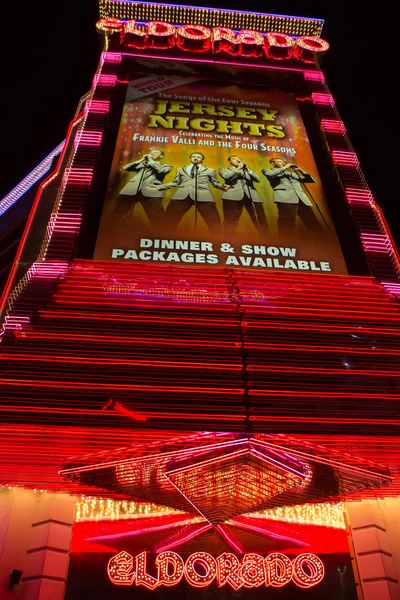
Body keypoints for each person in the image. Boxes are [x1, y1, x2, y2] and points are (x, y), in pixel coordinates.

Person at [151, 152, 229, 234]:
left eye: (198, 157)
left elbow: (215, 183)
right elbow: (175, 182)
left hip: (203, 196)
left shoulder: (210, 170)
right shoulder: (180, 169)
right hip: (181, 195)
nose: (196, 158)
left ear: (202, 160)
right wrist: (159, 187)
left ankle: (219, 241)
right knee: (170, 220)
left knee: (213, 221)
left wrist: (221, 186)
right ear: (190, 159)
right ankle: (168, 238)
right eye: (193, 156)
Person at [110, 148, 172, 232]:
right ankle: (107, 231)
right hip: (131, 190)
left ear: (161, 156)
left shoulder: (166, 166)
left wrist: (150, 161)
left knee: (157, 217)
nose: (152, 153)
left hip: (151, 192)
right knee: (116, 212)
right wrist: (141, 160)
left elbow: (161, 171)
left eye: (155, 152)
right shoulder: (142, 164)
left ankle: (160, 235)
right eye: (151, 152)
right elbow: (126, 168)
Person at [262, 157, 323, 235]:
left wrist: (301, 171)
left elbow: (311, 180)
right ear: (273, 163)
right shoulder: (268, 170)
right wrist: (286, 167)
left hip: (301, 199)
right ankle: (286, 242)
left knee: (312, 222)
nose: (283, 163)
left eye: (283, 162)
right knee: (287, 223)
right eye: (279, 162)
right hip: (286, 199)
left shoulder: (291, 174)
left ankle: (321, 240)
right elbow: (269, 174)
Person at [219, 156, 269, 236]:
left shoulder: (246, 170)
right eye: (234, 158)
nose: (238, 160)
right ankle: (229, 240)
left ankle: (267, 240)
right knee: (230, 220)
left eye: (239, 158)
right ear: (229, 161)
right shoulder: (223, 170)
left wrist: (248, 169)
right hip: (232, 196)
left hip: (252, 196)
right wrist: (239, 168)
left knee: (260, 219)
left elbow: (257, 179)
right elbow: (227, 177)